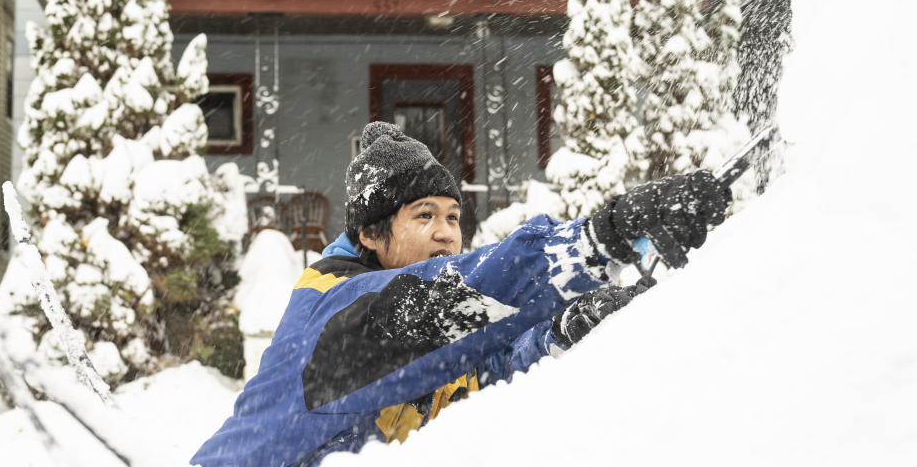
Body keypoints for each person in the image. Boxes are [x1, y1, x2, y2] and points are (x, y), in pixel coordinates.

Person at [192, 122, 730, 467]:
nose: (447, 232)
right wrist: (593, 241)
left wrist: (558, 335)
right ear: (371, 235)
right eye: (423, 216)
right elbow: (442, 305)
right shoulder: (333, 315)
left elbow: (484, 368)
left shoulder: (436, 333)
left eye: (453, 217)